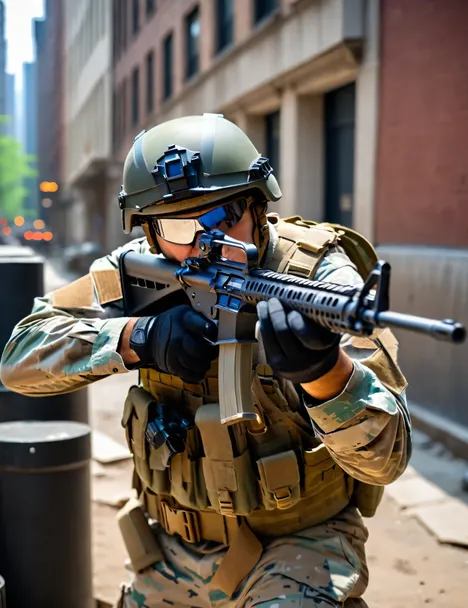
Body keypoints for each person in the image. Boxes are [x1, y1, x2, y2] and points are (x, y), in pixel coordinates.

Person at [0, 114, 411, 607]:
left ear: (258, 207)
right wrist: (138, 337)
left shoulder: (320, 277)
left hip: (300, 544)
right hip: (173, 546)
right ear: (149, 232)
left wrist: (326, 375)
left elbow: (387, 461)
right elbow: (20, 359)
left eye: (225, 215)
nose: (204, 241)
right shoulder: (132, 272)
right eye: (177, 225)